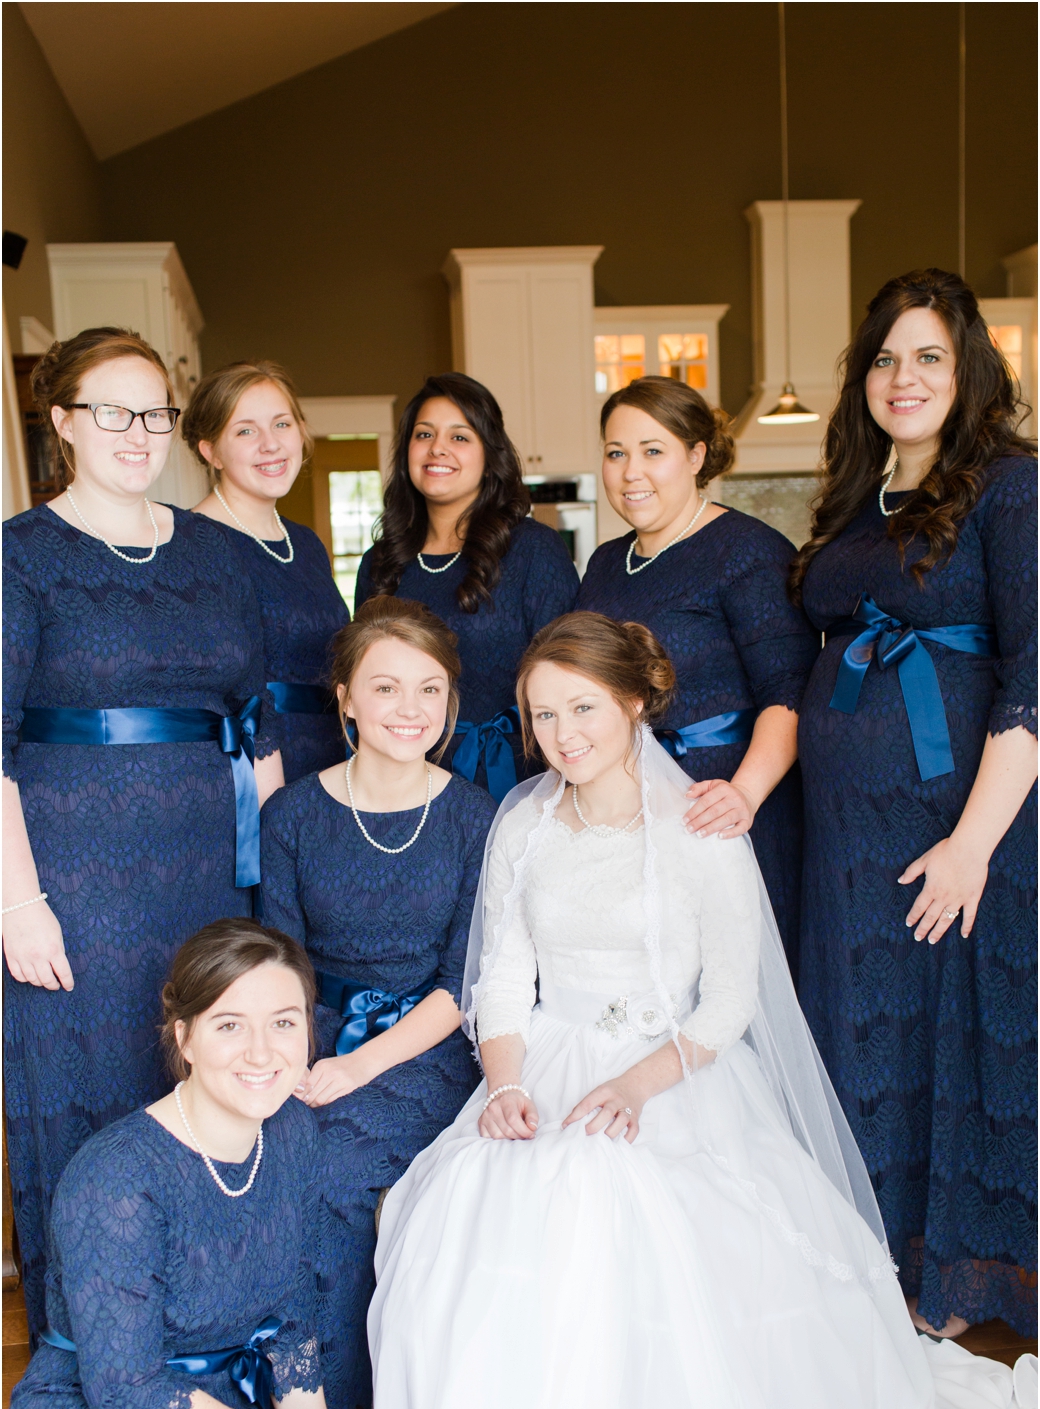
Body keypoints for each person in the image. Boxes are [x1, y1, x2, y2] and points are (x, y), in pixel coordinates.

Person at [368, 611, 1036, 1409]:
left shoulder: (700, 824)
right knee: (473, 1209)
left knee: (625, 1197)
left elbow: (728, 1001)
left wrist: (638, 1087)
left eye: (583, 708)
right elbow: (504, 977)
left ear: (634, 703)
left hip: (673, 1068)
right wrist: (506, 1085)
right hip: (545, 1060)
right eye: (543, 714)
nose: (563, 735)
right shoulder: (523, 822)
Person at [2, 328, 282, 1343]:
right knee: (91, 1101)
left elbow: (255, 724)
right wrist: (17, 902)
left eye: (155, 412)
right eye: (111, 411)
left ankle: (208, 1335)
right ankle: (92, 1351)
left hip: (206, 875)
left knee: (208, 1085)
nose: (138, 432)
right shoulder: (20, 556)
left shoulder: (217, 553)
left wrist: (272, 897)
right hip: (73, 884)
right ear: (64, 423)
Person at [2, 918, 430, 1409]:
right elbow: (129, 1399)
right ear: (185, 1037)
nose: (262, 1053)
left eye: (283, 1022)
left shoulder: (291, 1134)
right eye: (230, 1025)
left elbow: (288, 1320)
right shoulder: (117, 1177)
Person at [790, 268, 1037, 1340]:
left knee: (951, 1048)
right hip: (845, 840)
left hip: (959, 830)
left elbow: (1034, 672)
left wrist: (971, 844)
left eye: (929, 356)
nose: (905, 377)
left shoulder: (1011, 489)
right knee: (864, 1046)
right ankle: (875, 1266)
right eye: (885, 358)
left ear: (968, 368)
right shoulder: (858, 498)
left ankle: (961, 1286)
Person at [260, 595, 497, 1409]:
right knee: (258, 1154)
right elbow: (280, 964)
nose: (410, 709)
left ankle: (343, 1407)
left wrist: (358, 1065)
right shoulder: (292, 814)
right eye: (386, 687)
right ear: (346, 698)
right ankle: (268, 1388)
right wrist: (288, 1060)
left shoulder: (473, 816)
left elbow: (462, 983)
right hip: (311, 1033)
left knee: (331, 1172)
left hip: (426, 1047)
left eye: (430, 690)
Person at [577, 376, 818, 969]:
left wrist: (745, 794)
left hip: (725, 811)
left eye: (652, 451)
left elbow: (790, 690)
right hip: (632, 814)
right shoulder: (606, 562)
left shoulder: (748, 552)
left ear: (695, 455)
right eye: (616, 453)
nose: (631, 472)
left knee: (729, 986)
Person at [355, 372, 578, 801]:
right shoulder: (379, 563)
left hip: (517, 775)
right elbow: (364, 682)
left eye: (459, 437)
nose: (438, 448)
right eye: (424, 434)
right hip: (403, 780)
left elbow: (570, 677)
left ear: (490, 456)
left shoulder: (533, 550)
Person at [185, 361, 350, 784]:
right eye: (245, 431)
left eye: (282, 424)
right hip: (251, 766)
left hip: (331, 757)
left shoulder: (306, 543)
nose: (271, 444)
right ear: (210, 451)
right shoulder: (190, 541)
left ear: (301, 431)